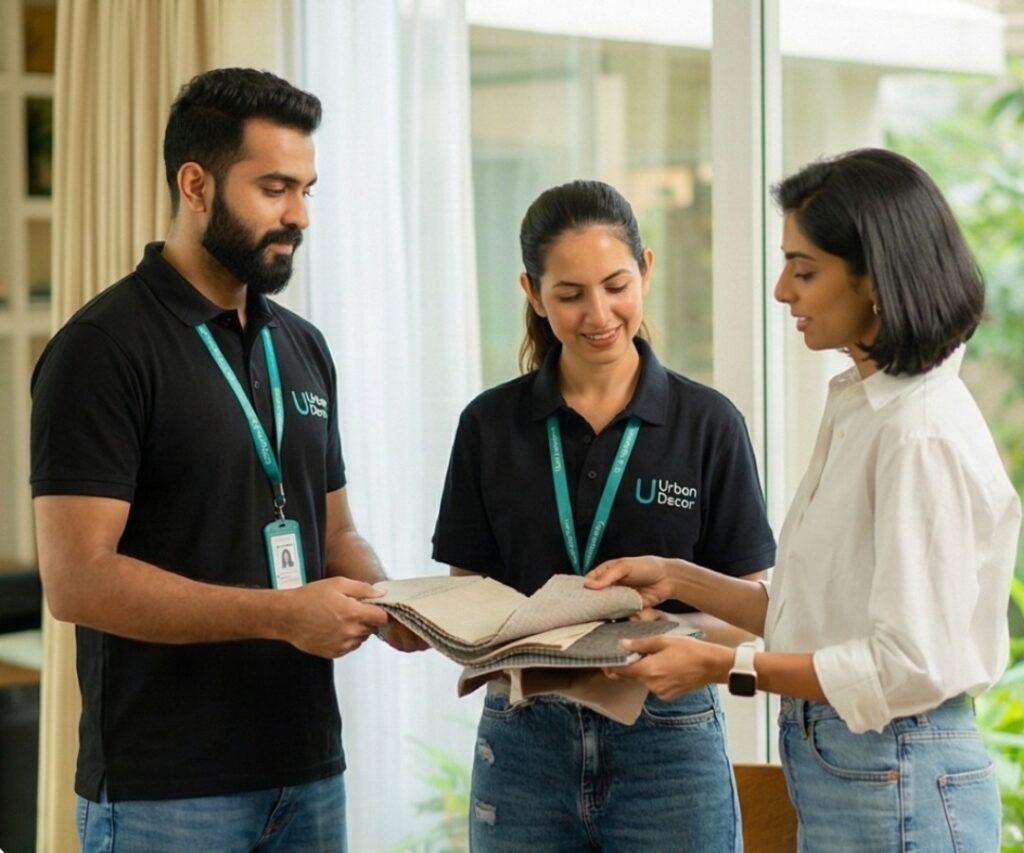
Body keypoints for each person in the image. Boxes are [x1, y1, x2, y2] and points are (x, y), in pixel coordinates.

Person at [30, 67, 424, 852]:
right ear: (196, 183)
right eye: (275, 188)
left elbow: (334, 531)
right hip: (165, 791)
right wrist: (282, 615)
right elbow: (76, 578)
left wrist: (398, 606)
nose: (299, 215)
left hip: (308, 769)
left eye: (307, 189)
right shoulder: (102, 349)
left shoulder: (303, 346)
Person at [587, 148, 1022, 852]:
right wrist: (677, 576)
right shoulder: (866, 406)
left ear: (876, 279)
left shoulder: (917, 432)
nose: (781, 290)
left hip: (895, 768)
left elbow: (901, 663)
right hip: (863, 768)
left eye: (804, 267)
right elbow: (815, 616)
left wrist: (723, 664)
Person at [432, 179, 777, 851]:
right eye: (569, 294)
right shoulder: (489, 424)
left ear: (646, 270)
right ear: (532, 293)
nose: (599, 313)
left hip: (668, 738)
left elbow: (750, 608)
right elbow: (466, 588)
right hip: (525, 737)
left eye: (616, 284)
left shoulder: (708, 423)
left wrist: (677, 635)